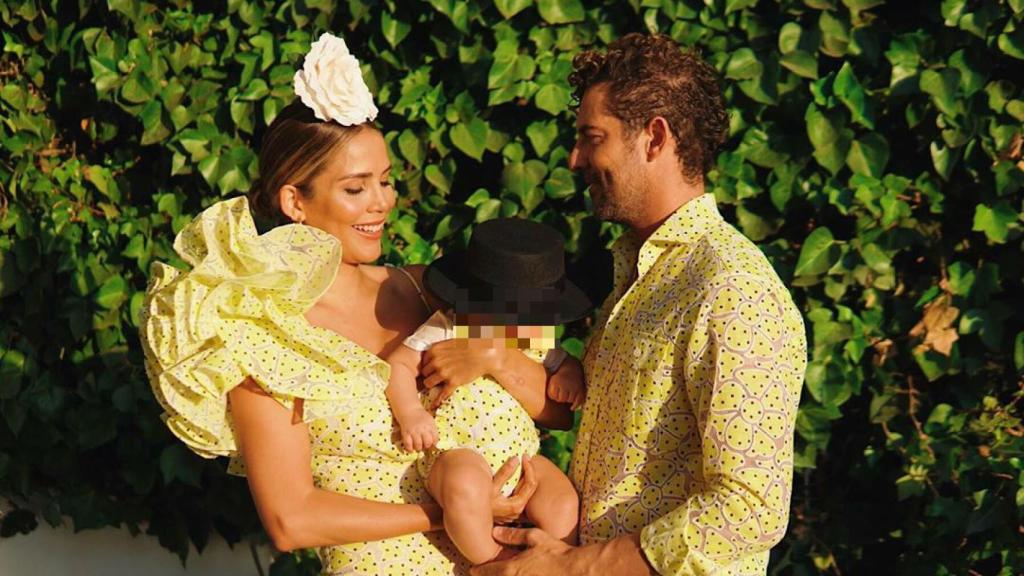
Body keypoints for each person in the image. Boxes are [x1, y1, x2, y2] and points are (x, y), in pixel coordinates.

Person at [139, 32, 573, 575]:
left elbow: (558, 409)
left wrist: (495, 358)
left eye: (386, 181)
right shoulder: (259, 330)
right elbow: (291, 519)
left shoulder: (430, 288)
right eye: (356, 188)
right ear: (295, 200)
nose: (382, 202)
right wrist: (449, 512)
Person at [473, 33, 808, 576]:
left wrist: (574, 568)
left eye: (593, 137)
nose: (575, 158)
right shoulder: (637, 274)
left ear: (654, 137)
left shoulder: (731, 289)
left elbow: (750, 507)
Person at [386, 218, 589, 564]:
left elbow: (562, 362)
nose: (515, 326)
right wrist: (411, 412)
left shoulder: (530, 336)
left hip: (522, 454)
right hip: (458, 449)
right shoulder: (448, 326)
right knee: (464, 487)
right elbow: (398, 365)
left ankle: (558, 560)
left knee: (563, 500)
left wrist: (567, 377)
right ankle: (492, 562)